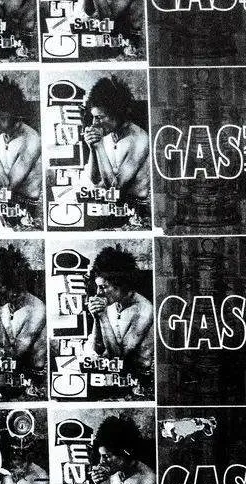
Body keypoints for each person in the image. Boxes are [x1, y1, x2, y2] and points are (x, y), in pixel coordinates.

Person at [84, 245, 154, 395]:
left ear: (120, 285)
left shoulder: (143, 310)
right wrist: (97, 316)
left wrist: (102, 317)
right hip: (112, 374)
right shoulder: (111, 303)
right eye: (98, 287)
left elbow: (119, 360)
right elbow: (98, 348)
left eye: (103, 287)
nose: (98, 293)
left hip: (137, 381)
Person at [0, 77, 42, 226]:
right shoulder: (0, 138)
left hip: (25, 212)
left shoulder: (31, 140)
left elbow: (5, 189)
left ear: (9, 113)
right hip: (0, 208)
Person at [82, 76, 150, 218]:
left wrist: (99, 146)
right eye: (93, 117)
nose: (94, 123)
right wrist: (93, 148)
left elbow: (115, 188)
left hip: (136, 212)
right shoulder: (108, 136)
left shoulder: (139, 139)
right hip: (112, 207)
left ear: (116, 113)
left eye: (99, 117)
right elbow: (95, 179)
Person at [0, 244, 46, 400]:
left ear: (13, 288)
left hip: (32, 381)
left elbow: (10, 355)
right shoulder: (6, 305)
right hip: (11, 374)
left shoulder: (36, 310)